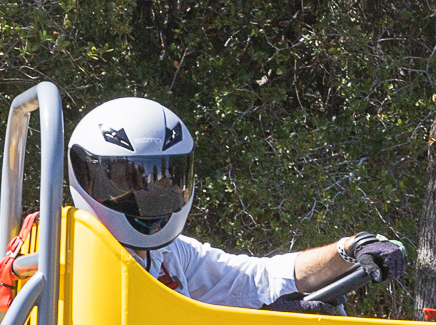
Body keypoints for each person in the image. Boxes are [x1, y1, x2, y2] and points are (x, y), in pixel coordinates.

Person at [59, 95, 406, 310]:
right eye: (129, 180)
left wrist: (348, 249)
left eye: (164, 178)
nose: (150, 196)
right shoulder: (68, 258)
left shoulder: (170, 254)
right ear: (87, 173)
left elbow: (255, 278)